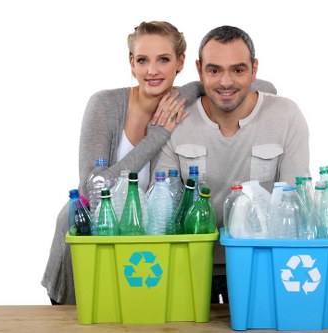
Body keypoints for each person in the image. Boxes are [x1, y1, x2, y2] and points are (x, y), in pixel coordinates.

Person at [42, 21, 277, 305]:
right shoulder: (105, 105)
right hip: (91, 237)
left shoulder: (183, 104)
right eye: (142, 60)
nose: (152, 71)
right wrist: (157, 136)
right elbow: (93, 190)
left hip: (144, 244)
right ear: (132, 62)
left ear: (181, 62)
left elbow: (266, 87)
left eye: (163, 60)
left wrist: (191, 89)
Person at [150, 25, 310, 303]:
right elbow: (162, 209)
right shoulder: (175, 119)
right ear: (199, 71)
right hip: (192, 264)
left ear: (254, 69)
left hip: (264, 264)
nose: (226, 82)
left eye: (238, 70)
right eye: (214, 70)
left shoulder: (286, 115)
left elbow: (297, 204)